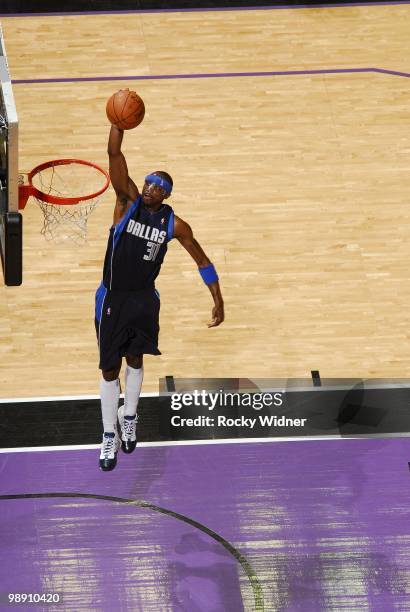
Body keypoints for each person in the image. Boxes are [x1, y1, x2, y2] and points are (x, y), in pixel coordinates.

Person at [95, 124, 225, 471]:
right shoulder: (126, 204)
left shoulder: (174, 225)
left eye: (158, 186)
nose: (150, 188)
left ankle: (129, 416)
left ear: (166, 195)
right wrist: (116, 125)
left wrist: (218, 298)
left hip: (143, 300)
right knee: (110, 368)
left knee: (135, 359)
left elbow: (202, 260)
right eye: (148, 182)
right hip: (112, 298)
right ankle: (109, 434)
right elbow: (114, 155)